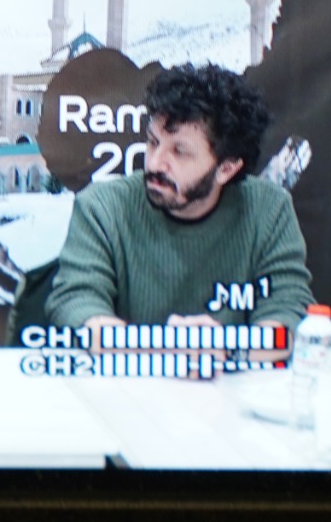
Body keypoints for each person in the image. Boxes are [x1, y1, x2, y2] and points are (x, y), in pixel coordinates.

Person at [49, 63, 313, 343]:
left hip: (229, 369)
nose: (155, 163)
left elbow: (289, 311)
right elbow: (74, 305)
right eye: (153, 142)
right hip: (129, 368)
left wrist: (225, 347)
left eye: (179, 152)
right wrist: (160, 349)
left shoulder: (269, 209)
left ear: (226, 169)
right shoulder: (102, 207)